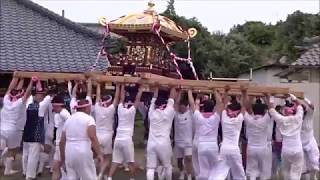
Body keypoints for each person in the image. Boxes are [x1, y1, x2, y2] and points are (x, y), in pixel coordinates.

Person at [59, 99, 103, 179]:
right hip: (83, 151)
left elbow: (62, 141)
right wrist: (99, 153)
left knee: (72, 177)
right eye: (89, 108)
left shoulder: (69, 120)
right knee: (89, 176)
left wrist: (62, 158)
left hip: (69, 152)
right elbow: (92, 136)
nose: (90, 110)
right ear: (86, 108)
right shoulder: (89, 119)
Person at [107, 84, 143, 180]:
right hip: (127, 140)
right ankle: (132, 178)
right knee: (130, 161)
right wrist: (141, 89)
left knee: (115, 161)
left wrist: (122, 85)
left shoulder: (120, 109)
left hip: (118, 139)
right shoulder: (131, 111)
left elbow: (121, 98)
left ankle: (109, 178)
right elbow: (137, 100)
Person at [210, 86, 246, 180]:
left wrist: (226, 92)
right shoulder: (238, 119)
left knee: (219, 173)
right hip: (234, 149)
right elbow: (244, 106)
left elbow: (222, 104)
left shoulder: (225, 117)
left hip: (224, 149)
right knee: (239, 174)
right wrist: (244, 92)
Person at [188, 88, 223, 180]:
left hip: (202, 146)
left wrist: (189, 91)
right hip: (213, 146)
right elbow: (220, 103)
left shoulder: (198, 116)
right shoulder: (215, 117)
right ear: (213, 108)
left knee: (203, 172)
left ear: (203, 108)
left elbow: (192, 104)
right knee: (215, 171)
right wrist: (215, 91)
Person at [1, 76, 32, 175]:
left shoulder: (6, 101)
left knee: (4, 148)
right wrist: (32, 81)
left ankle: (3, 160)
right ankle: (8, 170)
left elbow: (10, 88)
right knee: (13, 150)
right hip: (15, 130)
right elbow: (27, 92)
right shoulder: (20, 103)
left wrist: (18, 78)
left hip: (2, 129)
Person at [268, 94, 304, 180]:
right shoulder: (298, 118)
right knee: (296, 172)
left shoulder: (282, 119)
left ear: (285, 112)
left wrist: (271, 97)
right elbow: (300, 106)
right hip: (297, 149)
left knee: (286, 171)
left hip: (286, 150)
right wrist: (293, 97)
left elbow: (271, 110)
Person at [23, 77, 52, 180]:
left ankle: (26, 172)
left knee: (28, 153)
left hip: (27, 132)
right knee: (33, 155)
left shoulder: (28, 104)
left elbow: (29, 94)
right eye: (40, 95)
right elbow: (48, 97)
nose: (42, 97)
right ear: (36, 96)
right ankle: (29, 175)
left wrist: (33, 82)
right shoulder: (41, 106)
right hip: (36, 134)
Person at [146, 85, 176, 180]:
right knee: (167, 166)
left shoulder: (151, 113)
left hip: (151, 143)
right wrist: (173, 86)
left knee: (150, 168)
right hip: (164, 143)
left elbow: (153, 100)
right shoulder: (168, 112)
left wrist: (156, 89)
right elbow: (171, 99)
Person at [242, 93, 272, 180]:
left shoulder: (249, 119)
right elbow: (271, 110)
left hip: (251, 148)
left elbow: (243, 109)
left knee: (252, 171)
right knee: (263, 171)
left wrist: (250, 98)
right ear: (263, 111)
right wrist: (267, 98)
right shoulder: (265, 120)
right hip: (263, 148)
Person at [95, 83, 120, 179]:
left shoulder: (97, 107)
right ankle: (100, 174)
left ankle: (100, 174)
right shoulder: (110, 109)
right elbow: (117, 98)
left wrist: (98, 85)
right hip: (108, 136)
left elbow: (97, 96)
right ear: (109, 102)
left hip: (97, 135)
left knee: (99, 156)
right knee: (107, 158)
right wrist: (118, 86)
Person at [173, 91, 193, 180]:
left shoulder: (190, 114)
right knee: (179, 160)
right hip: (178, 141)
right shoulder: (176, 114)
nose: (180, 109)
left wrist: (189, 92)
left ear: (186, 107)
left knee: (188, 158)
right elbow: (176, 103)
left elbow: (192, 104)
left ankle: (189, 176)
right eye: (179, 107)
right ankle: (181, 173)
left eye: (182, 107)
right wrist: (180, 94)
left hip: (188, 142)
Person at [51, 95, 71, 180]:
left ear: (57, 105)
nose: (53, 108)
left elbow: (70, 125)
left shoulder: (64, 113)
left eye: (53, 106)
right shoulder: (58, 114)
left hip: (63, 145)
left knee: (64, 168)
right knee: (56, 167)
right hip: (59, 144)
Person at [300, 98, 319, 180]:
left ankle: (314, 176)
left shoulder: (309, 116)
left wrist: (304, 99)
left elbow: (312, 107)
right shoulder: (296, 118)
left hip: (310, 142)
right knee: (303, 166)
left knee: (314, 161)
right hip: (300, 144)